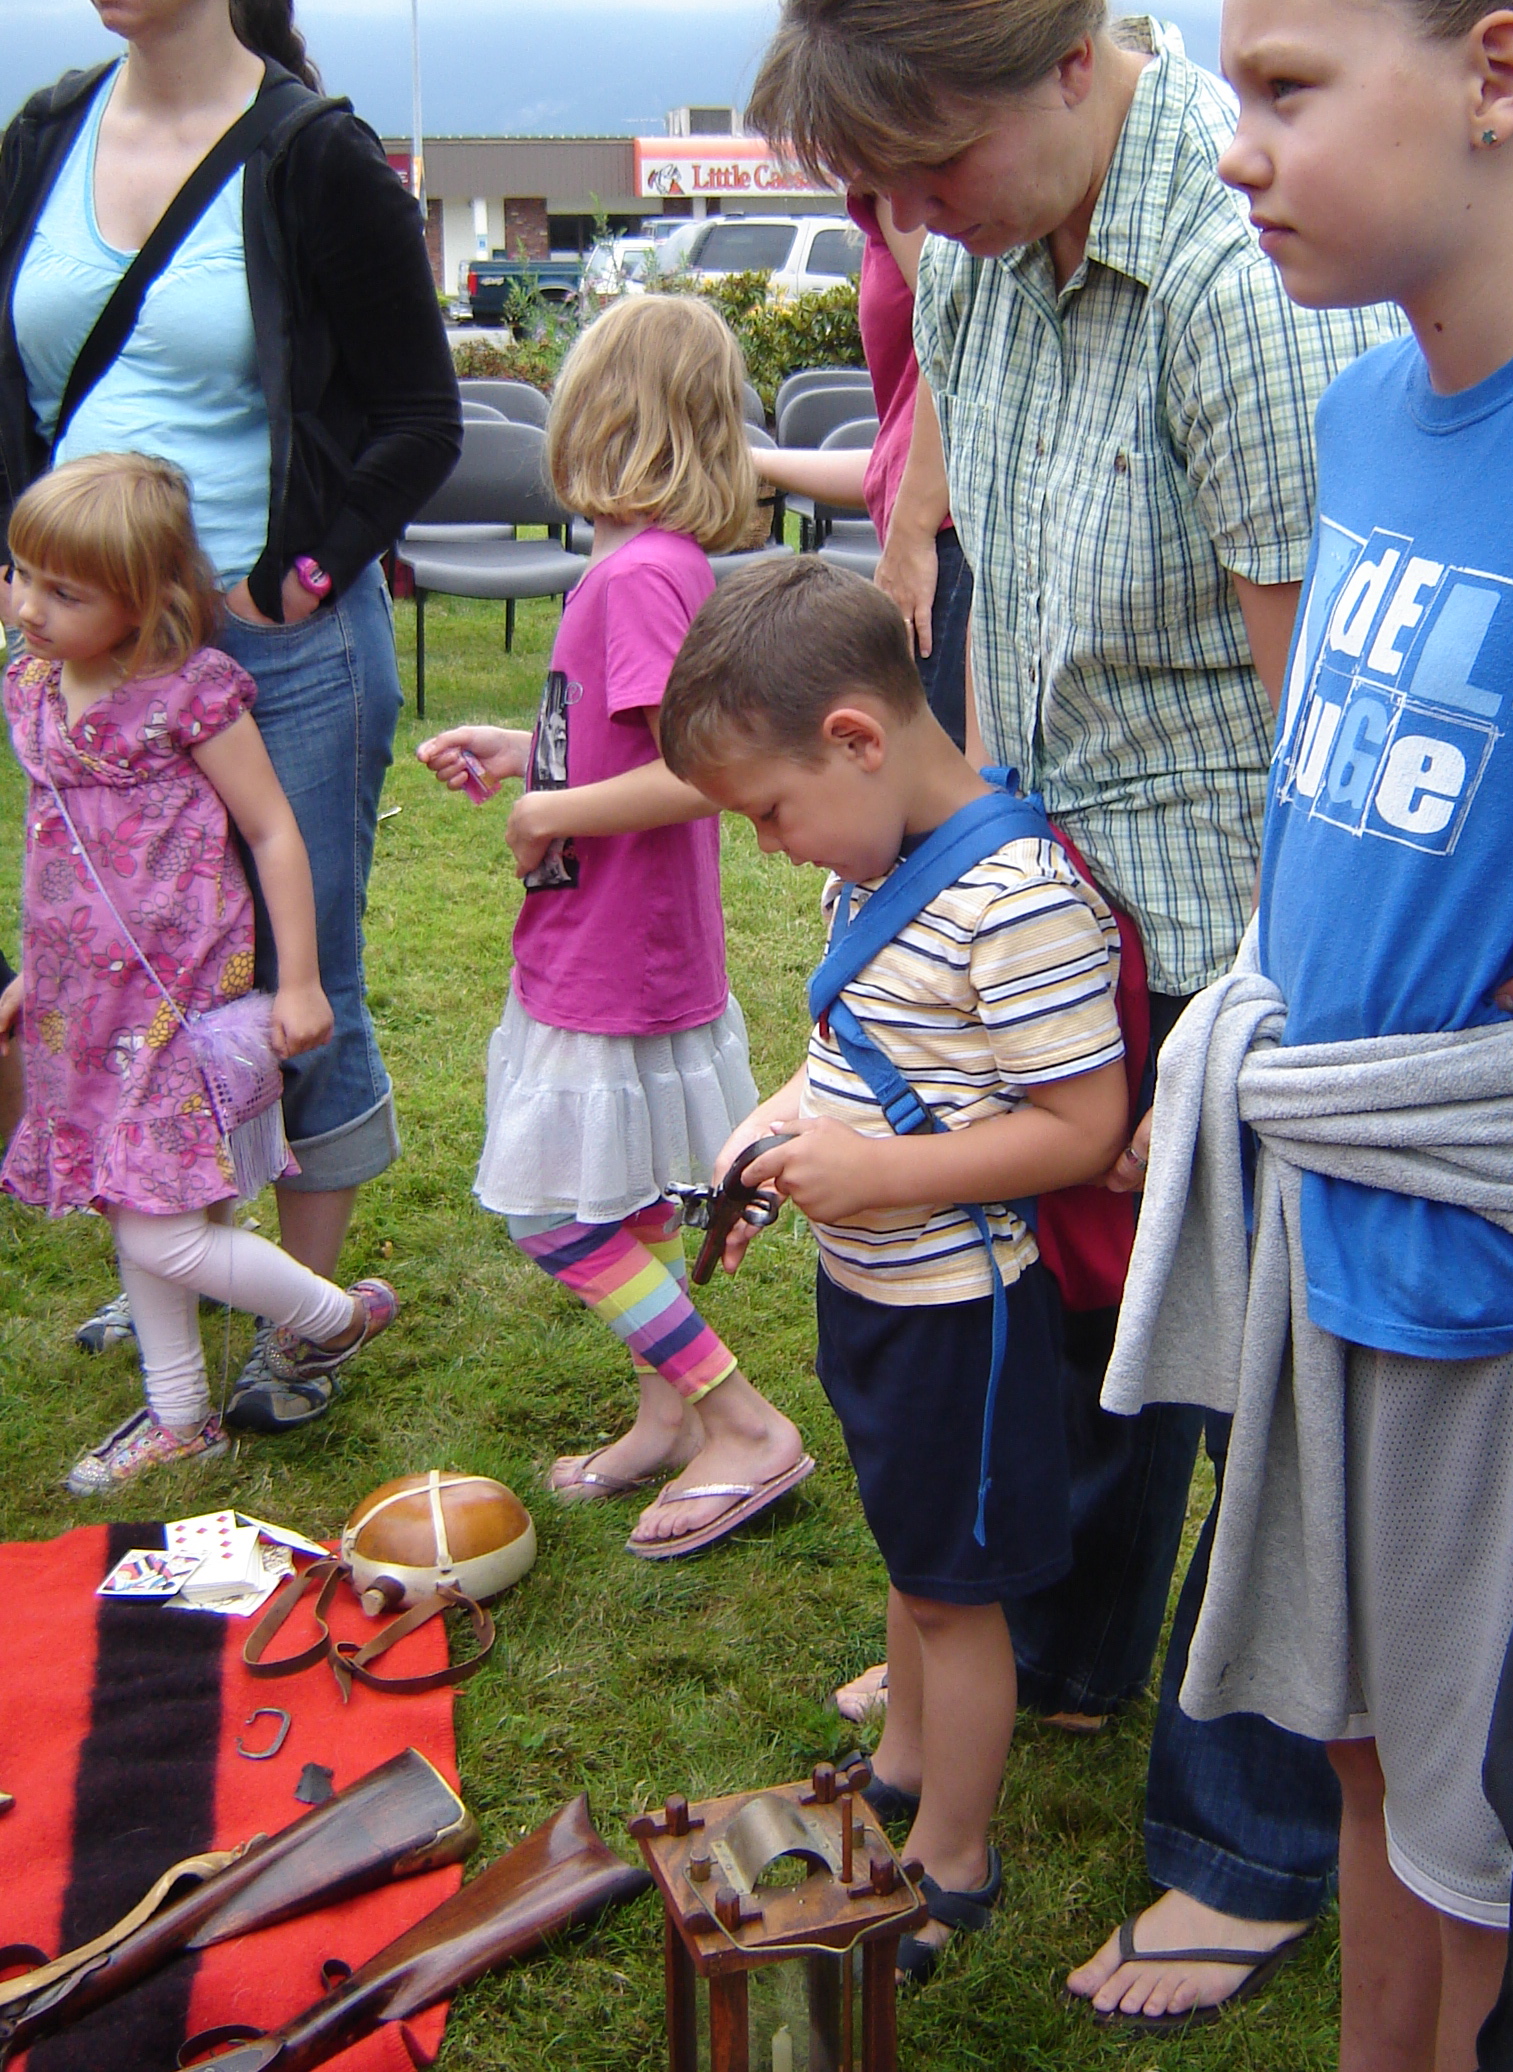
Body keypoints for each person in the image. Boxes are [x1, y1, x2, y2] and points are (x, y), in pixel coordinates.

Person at [745, 0, 1413, 2022]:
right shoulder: (971, 236)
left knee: (1270, 1404)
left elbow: (1321, 727)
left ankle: (1245, 1841)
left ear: (1066, 62)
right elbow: (976, 573)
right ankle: (1054, 1647)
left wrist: (1232, 1038)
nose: (904, 218)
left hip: (1246, 937)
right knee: (1087, 1325)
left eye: (924, 163)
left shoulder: (1236, 277)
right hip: (1059, 901)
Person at [1105, 0, 1513, 2068]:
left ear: (1496, 75)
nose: (1232, 146)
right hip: (1329, 1221)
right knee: (1361, 1754)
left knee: (1486, 1841)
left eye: (1284, 87)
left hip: (1494, 1266)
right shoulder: (1367, 408)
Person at [0, 0, 460, 1412]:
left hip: (279, 654)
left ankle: (296, 1326)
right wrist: (27, 577)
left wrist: (296, 573)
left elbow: (419, 418)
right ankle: (184, 1250)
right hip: (92, 658)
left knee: (291, 965)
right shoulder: (46, 134)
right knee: (133, 966)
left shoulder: (314, 157)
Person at [657, 550, 1127, 1979]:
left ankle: (954, 1858)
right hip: (875, 1299)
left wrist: (877, 1176)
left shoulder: (1018, 899)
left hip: (960, 1323)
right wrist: (776, 1125)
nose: (768, 845)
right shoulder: (872, 866)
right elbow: (852, 1055)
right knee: (915, 1556)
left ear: (856, 739)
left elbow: (1083, 1128)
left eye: (769, 811)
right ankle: (908, 1763)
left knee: (956, 1597)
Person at [417, 295, 811, 1558]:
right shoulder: (655, 566)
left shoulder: (640, 575)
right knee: (627, 1199)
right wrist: (526, 752)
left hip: (614, 950)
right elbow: (625, 743)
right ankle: (666, 1423)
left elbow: (700, 772)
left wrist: (546, 809)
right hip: (620, 940)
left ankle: (738, 1419)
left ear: (600, 416)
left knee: (558, 1215)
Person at [0, 454, 398, 1492]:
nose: (29, 607)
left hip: (173, 1007)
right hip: (80, 1012)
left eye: (64, 591)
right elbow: (58, 850)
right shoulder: (33, 685)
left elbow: (272, 831)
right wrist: (39, 976)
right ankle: (180, 1416)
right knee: (131, 1204)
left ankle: (332, 1317)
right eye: (20, 575)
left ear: (144, 600)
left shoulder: (191, 698)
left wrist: (300, 980)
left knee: (165, 1233)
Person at [748, 196, 971, 747]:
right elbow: (893, 463)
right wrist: (756, 461)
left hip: (946, 543)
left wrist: (912, 533)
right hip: (937, 536)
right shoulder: (882, 203)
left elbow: (957, 333)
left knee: (941, 777)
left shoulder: (902, 197)